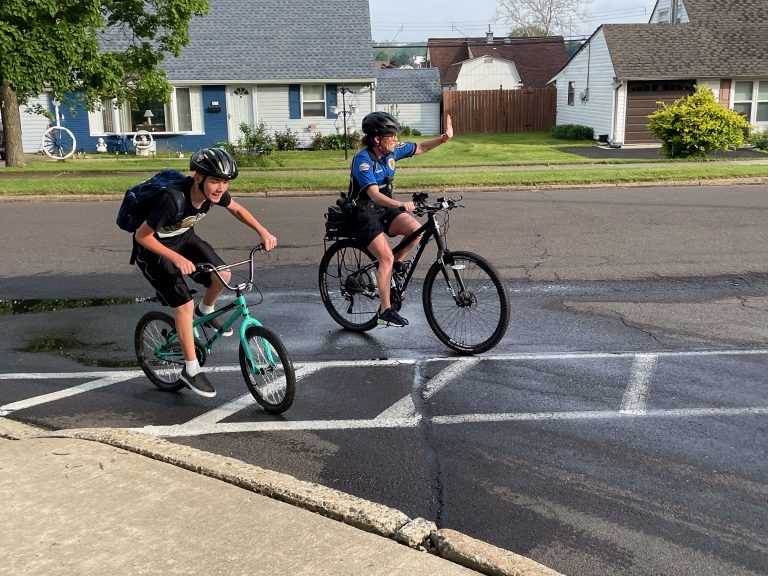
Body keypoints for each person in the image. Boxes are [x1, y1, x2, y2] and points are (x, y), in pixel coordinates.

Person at [133, 147, 277, 398]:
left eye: (224, 182)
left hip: (183, 237)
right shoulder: (173, 199)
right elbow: (142, 235)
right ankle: (190, 369)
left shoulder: (215, 194)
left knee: (223, 275)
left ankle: (207, 310)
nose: (220, 188)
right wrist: (177, 259)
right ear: (198, 177)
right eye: (214, 181)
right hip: (155, 249)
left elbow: (237, 210)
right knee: (184, 306)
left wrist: (262, 231)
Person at [349, 111, 453, 327]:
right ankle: (385, 310)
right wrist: (402, 204)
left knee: (417, 230)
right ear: (377, 139)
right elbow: (374, 195)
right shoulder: (363, 161)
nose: (396, 140)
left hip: (386, 209)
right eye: (392, 136)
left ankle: (394, 263)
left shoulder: (391, 152)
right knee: (385, 258)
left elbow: (420, 147)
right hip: (364, 213)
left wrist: (443, 139)